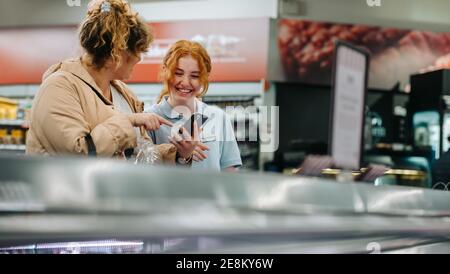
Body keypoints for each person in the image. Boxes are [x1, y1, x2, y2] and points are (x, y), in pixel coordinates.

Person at [26, 0, 197, 165]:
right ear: (116, 53)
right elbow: (78, 155)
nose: (139, 58)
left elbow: (140, 156)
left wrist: (178, 155)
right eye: (136, 50)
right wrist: (128, 121)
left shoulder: (123, 93)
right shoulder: (58, 88)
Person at [147, 40, 242, 171]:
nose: (185, 82)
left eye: (195, 76)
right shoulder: (150, 120)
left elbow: (229, 174)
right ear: (165, 70)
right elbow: (142, 173)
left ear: (205, 77)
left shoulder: (219, 117)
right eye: (178, 73)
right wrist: (179, 156)